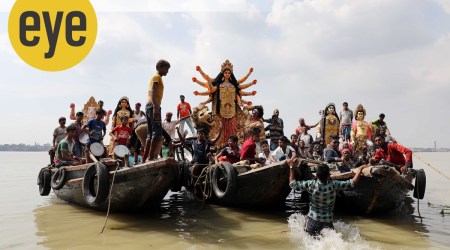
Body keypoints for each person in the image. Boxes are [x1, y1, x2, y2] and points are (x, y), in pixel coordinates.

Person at [289, 163, 368, 236]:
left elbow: (292, 184)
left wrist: (291, 167)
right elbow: (353, 183)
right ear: (328, 175)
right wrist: (359, 170)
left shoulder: (311, 184)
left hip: (313, 220)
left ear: (316, 175)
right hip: (327, 222)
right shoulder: (334, 185)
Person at [143, 59, 170, 162]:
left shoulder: (157, 78)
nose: (167, 71)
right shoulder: (157, 77)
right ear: (160, 68)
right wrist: (156, 107)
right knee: (157, 133)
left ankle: (144, 159)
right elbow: (153, 92)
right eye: (166, 68)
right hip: (153, 106)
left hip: (150, 105)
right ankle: (150, 157)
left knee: (150, 134)